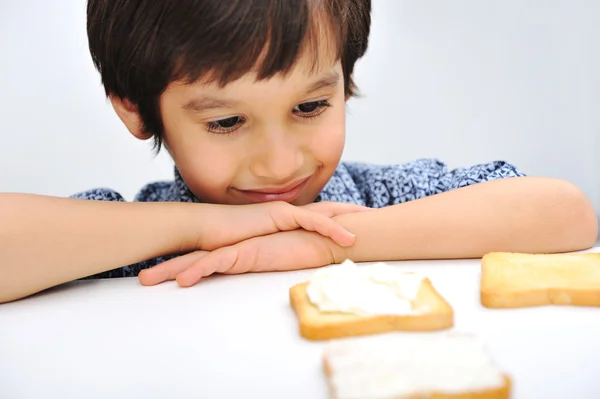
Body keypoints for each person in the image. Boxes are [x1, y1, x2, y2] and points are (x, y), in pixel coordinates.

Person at [0, 0, 597, 303]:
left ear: (345, 78)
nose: (281, 164)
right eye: (229, 121)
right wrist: (203, 229)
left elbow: (564, 211)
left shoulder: (381, 202)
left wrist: (316, 245)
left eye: (310, 107)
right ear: (136, 109)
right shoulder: (136, 244)